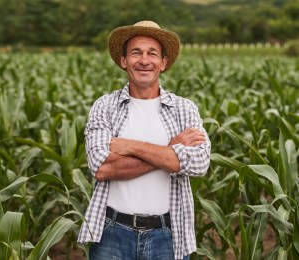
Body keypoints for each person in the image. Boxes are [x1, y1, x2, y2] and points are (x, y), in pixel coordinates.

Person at [78, 20, 211, 260]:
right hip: (112, 233)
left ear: (163, 63)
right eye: (135, 52)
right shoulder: (105, 106)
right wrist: (170, 152)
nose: (144, 60)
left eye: (152, 53)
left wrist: (127, 145)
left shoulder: (184, 108)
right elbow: (101, 168)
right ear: (123, 61)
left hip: (168, 235)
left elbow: (200, 164)